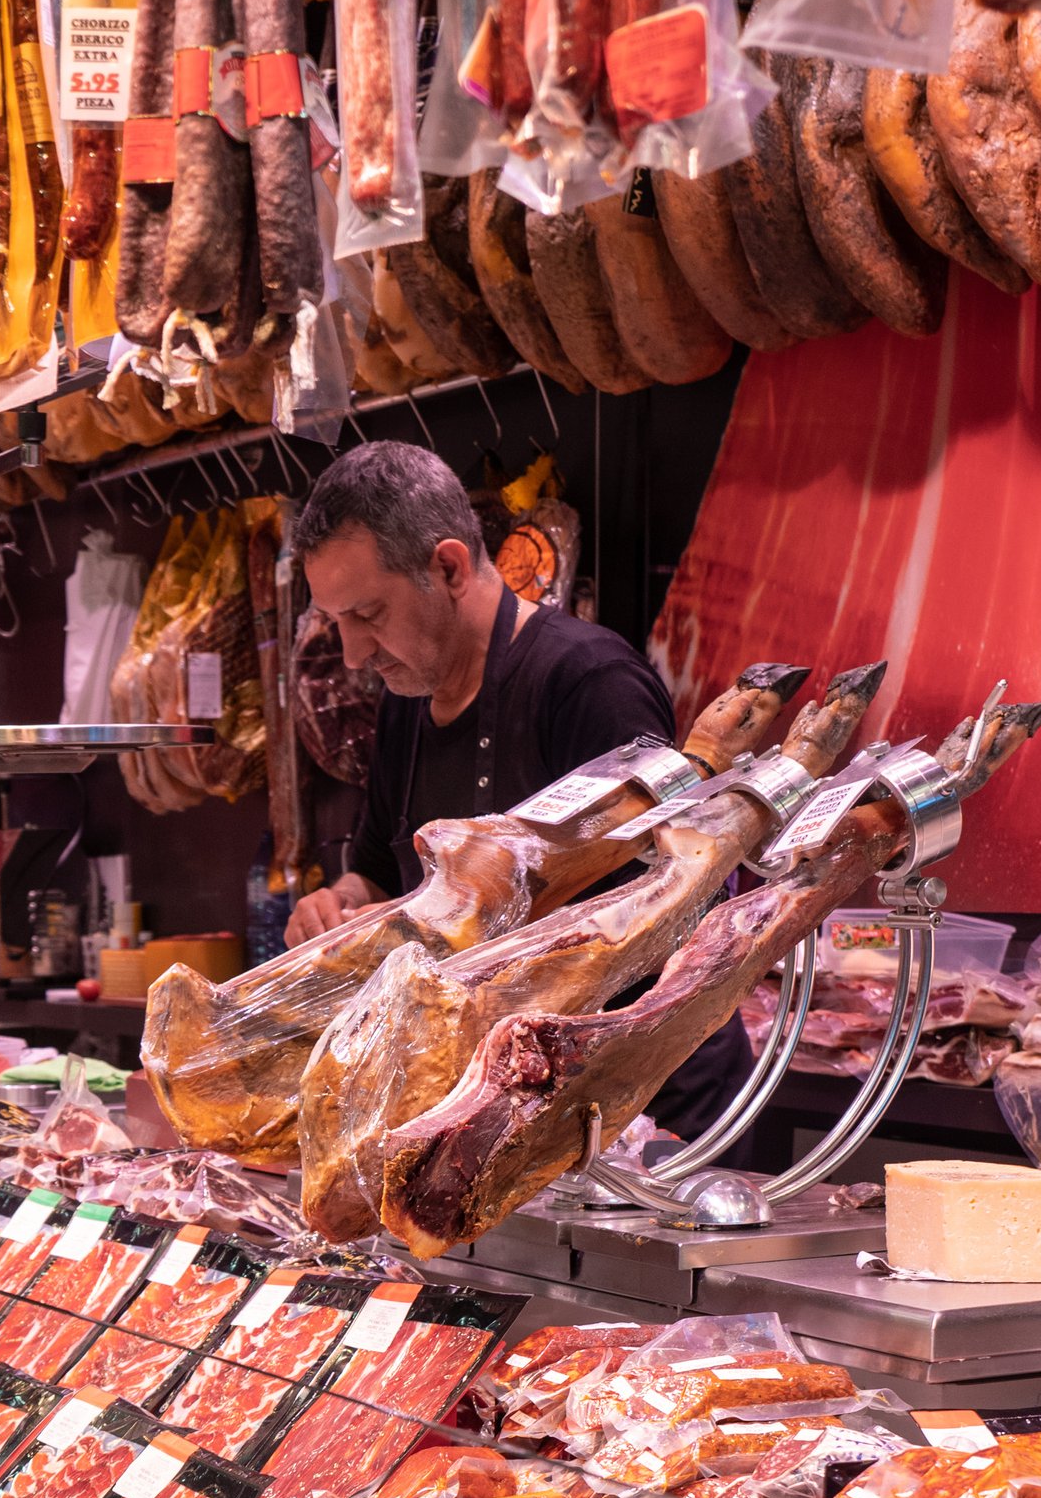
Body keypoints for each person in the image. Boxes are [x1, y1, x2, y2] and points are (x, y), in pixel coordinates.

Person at [281, 438, 750, 1140]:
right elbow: (381, 876)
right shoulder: (408, 697)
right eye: (336, 621)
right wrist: (341, 908)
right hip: (506, 1111)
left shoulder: (588, 684)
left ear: (448, 566)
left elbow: (680, 909)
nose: (352, 654)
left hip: (650, 1120)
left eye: (368, 616)